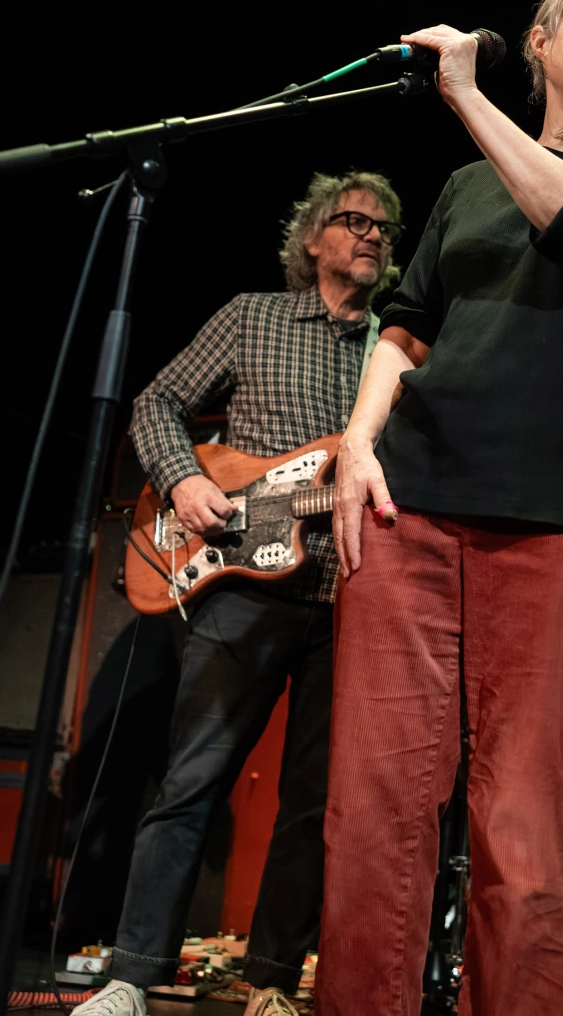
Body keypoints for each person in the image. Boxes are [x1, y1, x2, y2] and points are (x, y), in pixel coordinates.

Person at [317, 0, 563, 1015]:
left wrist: (469, 98)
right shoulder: (462, 186)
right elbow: (406, 321)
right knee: (371, 821)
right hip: (411, 513)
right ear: (538, 37)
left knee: (526, 836)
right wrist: (357, 444)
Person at [71, 170, 403, 1016]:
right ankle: (130, 976)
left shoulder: (395, 352)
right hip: (239, 586)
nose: (368, 235)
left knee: (311, 806)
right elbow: (157, 403)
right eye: (352, 220)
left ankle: (272, 984)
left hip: (347, 596)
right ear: (313, 238)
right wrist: (184, 483)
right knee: (191, 781)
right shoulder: (253, 315)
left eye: (383, 228)